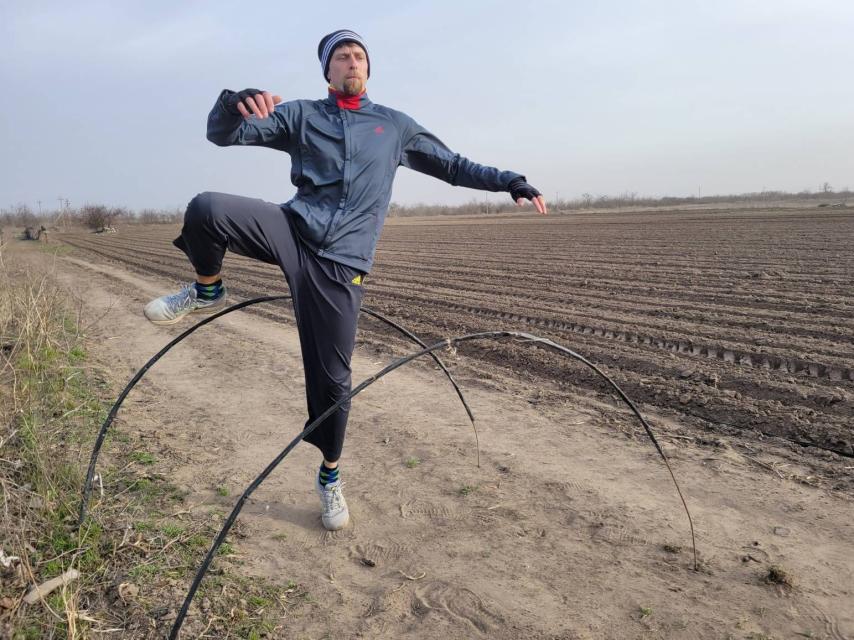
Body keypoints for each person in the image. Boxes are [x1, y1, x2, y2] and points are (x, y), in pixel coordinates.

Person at [143, 29, 547, 531]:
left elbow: (453, 165)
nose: (352, 61)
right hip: (293, 230)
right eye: (341, 56)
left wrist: (511, 181)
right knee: (207, 208)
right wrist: (233, 102)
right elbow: (223, 135)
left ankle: (329, 477)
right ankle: (208, 288)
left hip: (342, 264)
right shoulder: (301, 115)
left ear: (368, 69)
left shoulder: (394, 127)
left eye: (359, 55)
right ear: (327, 71)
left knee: (332, 381)